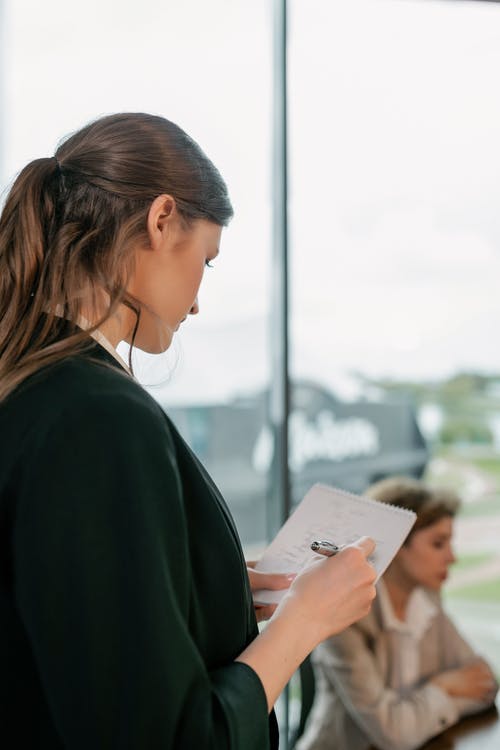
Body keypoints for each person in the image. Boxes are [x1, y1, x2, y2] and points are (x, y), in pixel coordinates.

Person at [0, 112, 377, 749]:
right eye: (206, 258)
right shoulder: (97, 415)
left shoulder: (32, 392)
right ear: (162, 219)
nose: (199, 302)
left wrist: (214, 587)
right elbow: (166, 737)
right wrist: (303, 623)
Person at [296, 476, 498, 750]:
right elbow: (394, 735)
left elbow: (485, 682)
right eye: (439, 543)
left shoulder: (426, 602)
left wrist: (414, 712)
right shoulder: (344, 619)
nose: (452, 557)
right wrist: (445, 686)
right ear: (396, 545)